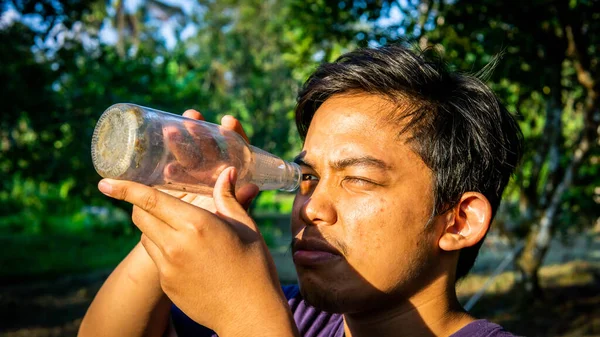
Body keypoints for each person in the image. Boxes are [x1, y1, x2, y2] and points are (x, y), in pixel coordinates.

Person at [79, 44, 523, 337]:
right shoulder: (303, 317)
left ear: (459, 221)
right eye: (307, 177)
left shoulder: (266, 316)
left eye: (359, 179)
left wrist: (247, 320)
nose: (312, 207)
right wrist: (183, 206)